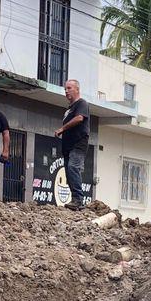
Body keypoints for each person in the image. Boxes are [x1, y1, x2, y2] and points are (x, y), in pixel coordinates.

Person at [56, 79, 91, 209]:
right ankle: (74, 200)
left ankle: (78, 200)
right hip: (68, 147)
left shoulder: (82, 103)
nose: (66, 91)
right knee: (68, 172)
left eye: (69, 88)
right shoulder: (69, 109)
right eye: (65, 89)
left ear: (77, 89)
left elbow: (79, 118)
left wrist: (62, 129)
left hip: (78, 144)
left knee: (73, 168)